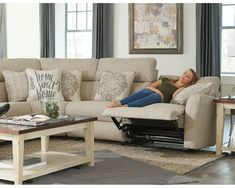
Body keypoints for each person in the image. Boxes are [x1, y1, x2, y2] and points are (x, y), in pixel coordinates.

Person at [107, 68, 199, 108]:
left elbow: (174, 98)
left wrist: (181, 89)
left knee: (155, 96)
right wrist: (158, 91)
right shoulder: (166, 79)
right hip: (155, 94)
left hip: (162, 100)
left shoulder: (185, 90)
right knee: (147, 91)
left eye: (188, 76)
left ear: (190, 82)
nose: (185, 75)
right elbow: (149, 87)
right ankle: (119, 102)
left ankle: (122, 106)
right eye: (185, 73)